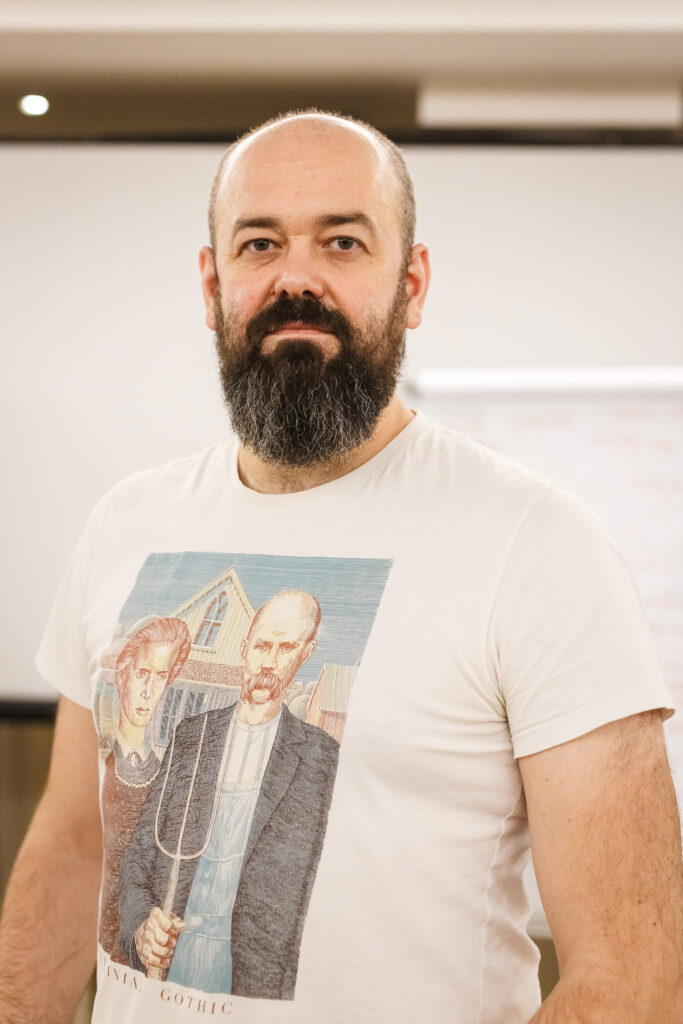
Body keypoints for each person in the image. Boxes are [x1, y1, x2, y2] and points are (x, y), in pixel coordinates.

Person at [0, 109, 681, 1024]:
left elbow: (630, 979)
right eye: (259, 243)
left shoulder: (539, 545)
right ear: (211, 283)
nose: (296, 279)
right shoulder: (124, 523)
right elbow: (72, 850)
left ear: (412, 283)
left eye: (343, 242)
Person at [117, 590, 339, 999]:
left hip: (255, 986)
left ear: (306, 653)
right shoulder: (192, 736)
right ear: (244, 647)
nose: (269, 662)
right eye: (262, 646)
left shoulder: (321, 759)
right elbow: (140, 855)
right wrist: (141, 926)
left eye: (286, 648)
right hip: (174, 968)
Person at [99, 616, 192, 959]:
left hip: (142, 948)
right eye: (142, 673)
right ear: (123, 675)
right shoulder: (100, 763)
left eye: (161, 677)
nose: (149, 691)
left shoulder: (170, 778)